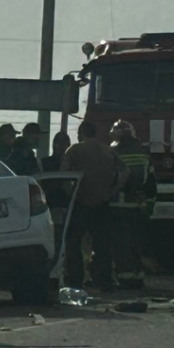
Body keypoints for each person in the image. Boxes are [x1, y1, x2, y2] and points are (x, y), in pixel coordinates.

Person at [59, 121, 128, 290]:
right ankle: (103, 280)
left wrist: (70, 193)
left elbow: (64, 174)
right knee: (102, 244)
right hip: (102, 202)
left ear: (81, 132)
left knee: (73, 242)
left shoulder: (74, 150)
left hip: (81, 202)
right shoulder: (107, 150)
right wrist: (113, 189)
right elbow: (125, 171)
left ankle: (75, 279)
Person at [109, 120, 157, 289]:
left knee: (121, 245)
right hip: (138, 206)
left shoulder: (113, 153)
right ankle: (138, 277)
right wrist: (149, 203)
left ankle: (125, 279)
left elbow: (110, 179)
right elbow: (151, 182)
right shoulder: (144, 152)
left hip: (117, 206)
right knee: (135, 243)